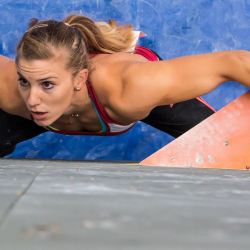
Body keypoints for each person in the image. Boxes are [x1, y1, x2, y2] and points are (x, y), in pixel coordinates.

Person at [0, 14, 249, 157]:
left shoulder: (131, 87)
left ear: (79, 79)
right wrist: (35, 83)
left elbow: (235, 62)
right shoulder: (13, 92)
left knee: (232, 146)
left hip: (123, 87)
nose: (32, 99)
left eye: (47, 84)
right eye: (24, 81)